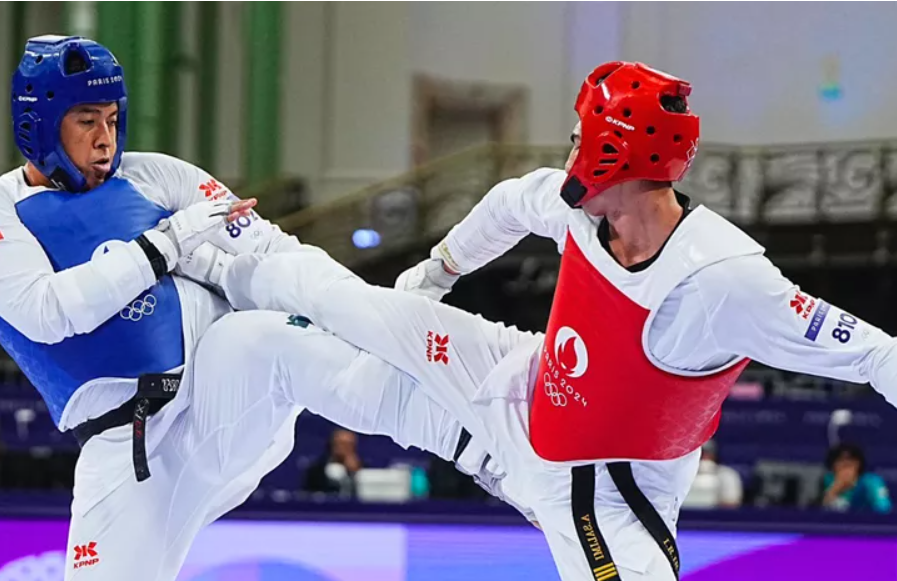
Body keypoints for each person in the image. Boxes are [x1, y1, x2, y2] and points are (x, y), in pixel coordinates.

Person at [204, 61, 897, 580]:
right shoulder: (575, 208)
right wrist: (439, 271)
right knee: (357, 304)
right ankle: (225, 261)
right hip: (520, 379)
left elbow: (874, 355)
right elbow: (508, 203)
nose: (567, 153)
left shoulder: (723, 279)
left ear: (613, 151)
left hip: (611, 488)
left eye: (578, 137)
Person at [0, 35, 503, 581]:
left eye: (113, 120)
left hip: (220, 402)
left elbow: (270, 247)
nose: (106, 140)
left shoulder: (156, 175)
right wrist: (163, 246)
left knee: (262, 336)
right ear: (42, 124)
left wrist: (363, 310)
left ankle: (484, 453)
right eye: (87, 121)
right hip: (128, 447)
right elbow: (47, 312)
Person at [822, 443, 891, 514]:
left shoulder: (871, 481)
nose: (845, 464)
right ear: (833, 465)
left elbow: (884, 508)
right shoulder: (826, 480)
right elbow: (819, 512)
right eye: (840, 461)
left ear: (859, 464)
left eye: (851, 461)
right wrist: (835, 489)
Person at [303, 428, 363, 496]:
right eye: (341, 444)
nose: (344, 448)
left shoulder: (363, 469)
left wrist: (354, 472)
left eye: (348, 444)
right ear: (332, 444)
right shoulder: (316, 470)